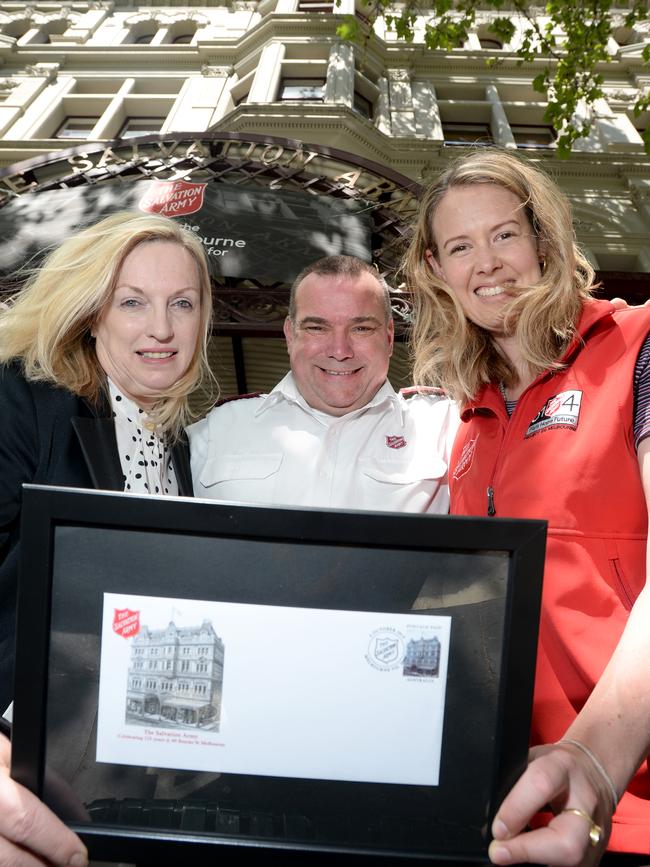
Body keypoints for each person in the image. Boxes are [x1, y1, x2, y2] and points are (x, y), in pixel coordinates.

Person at [404, 149, 650, 865]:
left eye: (504, 234)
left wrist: (595, 760)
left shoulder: (637, 346)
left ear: (544, 241)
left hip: (621, 804)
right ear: (437, 270)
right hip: (501, 809)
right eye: (460, 246)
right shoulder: (467, 422)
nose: (487, 263)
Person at [0, 210, 215, 867]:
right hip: (20, 758)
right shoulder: (26, 398)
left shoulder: (174, 446)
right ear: (93, 313)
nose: (161, 327)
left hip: (125, 771)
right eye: (133, 302)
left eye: (182, 303)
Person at [189, 255, 458, 513]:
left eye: (361, 328)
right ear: (290, 336)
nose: (339, 350)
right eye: (317, 328)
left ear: (388, 338)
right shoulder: (218, 429)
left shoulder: (444, 428)